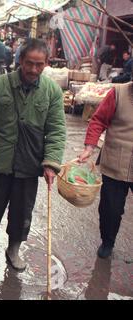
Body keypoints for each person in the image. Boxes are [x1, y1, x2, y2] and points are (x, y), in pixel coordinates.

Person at [0, 39, 66, 271]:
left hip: (30, 163)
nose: (33, 69)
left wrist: (51, 162)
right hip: (1, 160)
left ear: (46, 64)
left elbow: (57, 131)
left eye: (39, 65)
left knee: (21, 212)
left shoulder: (52, 92)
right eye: (29, 63)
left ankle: (14, 247)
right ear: (20, 60)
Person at [78, 81, 133, 259]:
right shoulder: (118, 93)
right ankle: (107, 241)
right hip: (115, 162)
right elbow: (98, 120)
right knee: (111, 208)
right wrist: (89, 147)